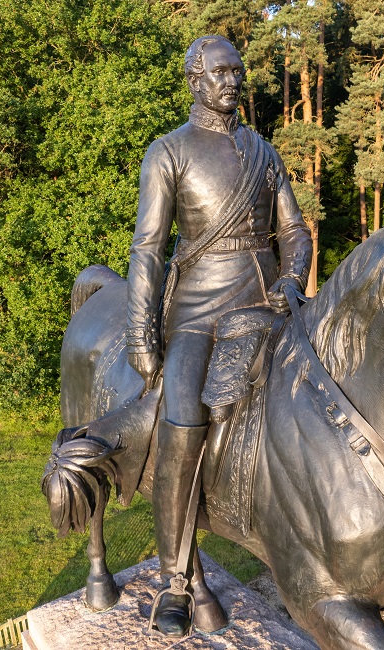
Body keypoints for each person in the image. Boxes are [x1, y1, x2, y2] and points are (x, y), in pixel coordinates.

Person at [125, 35, 311, 637]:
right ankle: (175, 579)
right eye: (220, 72)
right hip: (199, 309)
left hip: (266, 300)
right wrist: (141, 330)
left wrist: (290, 282)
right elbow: (149, 251)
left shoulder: (264, 151)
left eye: (238, 71)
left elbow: (295, 231)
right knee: (182, 418)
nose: (232, 81)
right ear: (195, 80)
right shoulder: (169, 152)